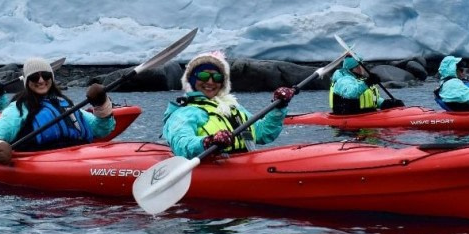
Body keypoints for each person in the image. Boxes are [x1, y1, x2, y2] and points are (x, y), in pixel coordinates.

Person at [162, 51, 296, 159]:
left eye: (217, 77)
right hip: (212, 170)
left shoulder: (232, 107)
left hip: (245, 166)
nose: (210, 82)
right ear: (191, 80)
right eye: (203, 76)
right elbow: (181, 144)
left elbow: (263, 133)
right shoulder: (185, 112)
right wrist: (209, 142)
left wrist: (279, 106)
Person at [0, 58, 114, 164]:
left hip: (78, 157)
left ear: (52, 78)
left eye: (46, 76)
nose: (41, 81)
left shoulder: (64, 103)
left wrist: (101, 104)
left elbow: (100, 129)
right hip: (41, 161)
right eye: (35, 77)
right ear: (27, 82)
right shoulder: (18, 109)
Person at [329, 55, 405, 115]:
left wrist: (385, 103)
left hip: (365, 114)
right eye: (359, 66)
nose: (362, 68)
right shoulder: (343, 80)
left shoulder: (358, 79)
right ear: (353, 68)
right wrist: (367, 82)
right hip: (349, 123)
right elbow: (350, 93)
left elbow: (368, 98)